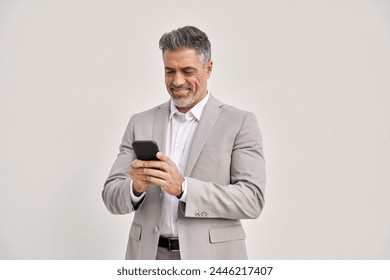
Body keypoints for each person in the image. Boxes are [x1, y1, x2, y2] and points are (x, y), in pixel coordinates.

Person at [102, 26, 266, 260]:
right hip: (148, 257)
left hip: (213, 258)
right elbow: (110, 196)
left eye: (188, 71)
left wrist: (183, 188)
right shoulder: (140, 123)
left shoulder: (239, 123)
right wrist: (135, 188)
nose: (177, 81)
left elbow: (252, 200)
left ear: (208, 68)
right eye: (170, 71)